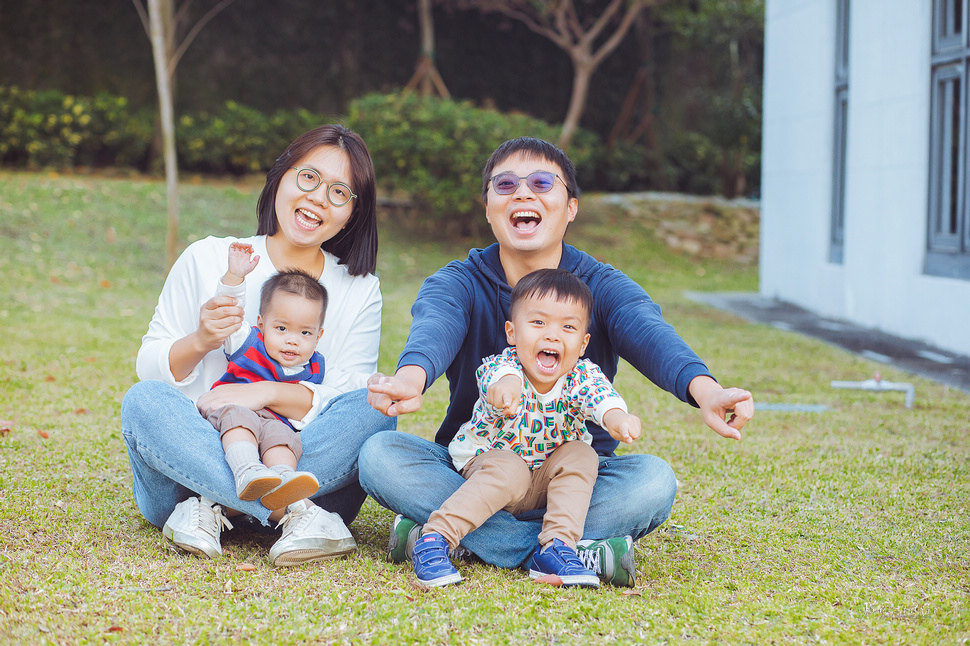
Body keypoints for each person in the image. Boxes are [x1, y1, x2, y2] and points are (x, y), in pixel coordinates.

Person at [363, 136, 754, 587]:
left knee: (653, 482)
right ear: (488, 206)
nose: (523, 193)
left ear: (570, 206)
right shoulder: (460, 281)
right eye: (505, 184)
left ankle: (446, 533)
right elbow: (435, 325)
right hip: (478, 469)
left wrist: (707, 391)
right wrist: (411, 379)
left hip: (573, 478)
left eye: (542, 183)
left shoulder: (601, 284)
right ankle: (567, 551)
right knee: (380, 455)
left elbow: (649, 331)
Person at [121, 124, 396, 567]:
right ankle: (290, 511)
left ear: (351, 213)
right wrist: (201, 340)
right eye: (308, 177)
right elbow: (150, 367)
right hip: (193, 467)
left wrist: (263, 392)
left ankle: (219, 506)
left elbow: (345, 394)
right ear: (281, 177)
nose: (318, 198)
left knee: (374, 408)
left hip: (300, 463)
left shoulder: (359, 289)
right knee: (143, 402)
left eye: (339, 192)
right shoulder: (209, 258)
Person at [411, 268, 642, 589]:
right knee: (507, 467)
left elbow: (601, 398)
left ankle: (557, 547)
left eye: (568, 327)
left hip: (550, 485)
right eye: (538, 323)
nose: (552, 335)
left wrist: (618, 418)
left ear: (584, 342)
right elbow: (499, 378)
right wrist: (505, 388)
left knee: (582, 454)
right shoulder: (503, 367)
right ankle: (435, 539)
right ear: (512, 332)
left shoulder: (582, 376)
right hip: (491, 471)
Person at [201, 243, 329, 512]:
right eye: (281, 328)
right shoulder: (247, 343)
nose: (292, 340)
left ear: (319, 336)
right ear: (261, 324)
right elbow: (228, 310)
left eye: (305, 333)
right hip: (232, 413)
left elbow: (317, 403)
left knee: (282, 437)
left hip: (274, 422)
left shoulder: (315, 367)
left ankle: (283, 480)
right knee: (241, 419)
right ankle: (247, 470)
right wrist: (235, 277)